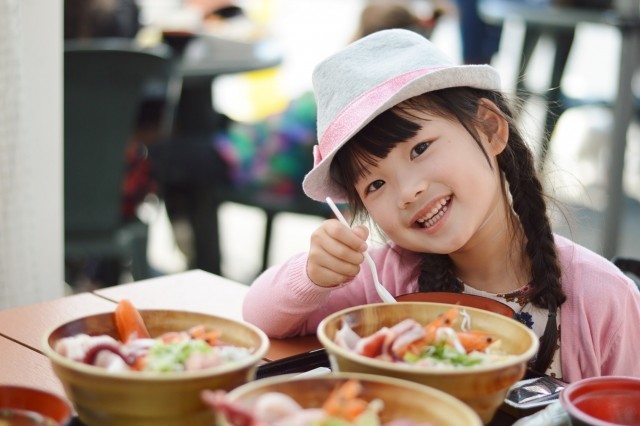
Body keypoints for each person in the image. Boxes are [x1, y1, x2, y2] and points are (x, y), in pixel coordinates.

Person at [242, 29, 640, 383]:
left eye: (420, 148)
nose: (408, 192)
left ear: (489, 128)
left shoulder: (602, 297)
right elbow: (261, 316)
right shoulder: (386, 280)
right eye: (376, 183)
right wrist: (314, 273)